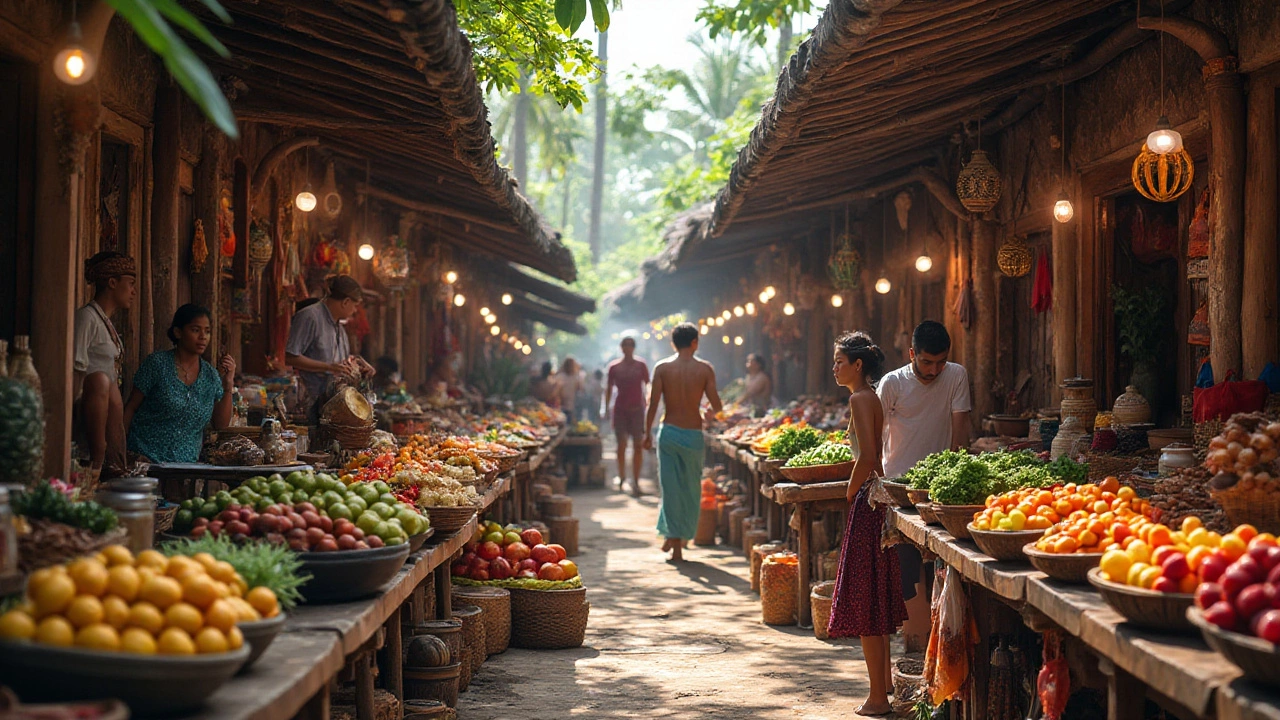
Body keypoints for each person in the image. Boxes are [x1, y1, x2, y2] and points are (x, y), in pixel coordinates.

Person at [826, 332, 908, 717]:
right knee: (874, 595)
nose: (835, 367)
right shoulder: (870, 396)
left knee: (865, 602)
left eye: (840, 361)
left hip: (868, 498)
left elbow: (870, 456)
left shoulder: (860, 398)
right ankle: (885, 685)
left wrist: (849, 490)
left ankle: (878, 697)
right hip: (876, 496)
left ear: (858, 365)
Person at [878, 320, 972, 650]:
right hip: (899, 489)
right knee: (907, 571)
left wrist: (956, 474)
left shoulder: (956, 375)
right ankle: (913, 642)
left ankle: (937, 646)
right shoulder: (892, 384)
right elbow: (875, 436)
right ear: (912, 354)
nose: (934, 370)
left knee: (941, 570)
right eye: (926, 362)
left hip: (939, 490)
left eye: (940, 362)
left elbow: (961, 428)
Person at [643, 323, 723, 561]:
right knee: (690, 488)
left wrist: (646, 433)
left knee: (670, 488)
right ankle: (678, 540)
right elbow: (717, 404)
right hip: (693, 434)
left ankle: (673, 537)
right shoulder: (705, 369)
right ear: (695, 342)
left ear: (673, 343)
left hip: (668, 432)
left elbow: (653, 404)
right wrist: (709, 414)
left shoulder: (662, 368)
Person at [124, 305, 235, 463]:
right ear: (178, 332)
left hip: (185, 467)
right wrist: (122, 451)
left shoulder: (211, 376)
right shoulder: (157, 364)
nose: (203, 337)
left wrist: (228, 384)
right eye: (196, 330)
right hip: (145, 461)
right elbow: (131, 407)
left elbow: (221, 424)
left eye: (207, 331)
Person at [74, 251, 137, 477]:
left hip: (108, 413)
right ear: (112, 283)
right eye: (130, 284)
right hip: (86, 414)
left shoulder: (105, 322)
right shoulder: (86, 319)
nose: (133, 291)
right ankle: (97, 458)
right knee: (102, 380)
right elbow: (75, 372)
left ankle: (114, 462)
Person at [285, 275, 373, 421]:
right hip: (309, 406)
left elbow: (341, 364)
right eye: (355, 305)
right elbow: (290, 357)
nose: (355, 310)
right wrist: (329, 367)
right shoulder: (310, 317)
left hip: (332, 406)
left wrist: (360, 366)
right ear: (345, 302)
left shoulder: (339, 327)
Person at [607, 337, 650, 496]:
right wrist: (605, 407)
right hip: (620, 410)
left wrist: (650, 404)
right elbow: (609, 388)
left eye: (630, 345)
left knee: (638, 445)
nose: (628, 348)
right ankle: (622, 476)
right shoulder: (614, 367)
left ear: (634, 347)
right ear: (621, 347)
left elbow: (648, 385)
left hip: (637, 409)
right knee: (621, 444)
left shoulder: (641, 366)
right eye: (625, 345)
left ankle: (636, 480)